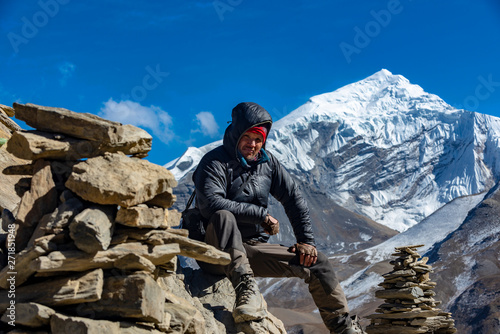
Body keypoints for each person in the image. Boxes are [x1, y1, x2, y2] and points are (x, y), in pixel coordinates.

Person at [192, 102, 366, 334]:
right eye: (248, 137)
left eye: (258, 139)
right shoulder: (213, 162)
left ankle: (343, 329)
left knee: (317, 264)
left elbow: (294, 199)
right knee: (223, 216)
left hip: (249, 249)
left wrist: (306, 242)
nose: (252, 144)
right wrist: (261, 215)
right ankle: (247, 292)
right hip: (214, 250)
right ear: (235, 134)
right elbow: (211, 204)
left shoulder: (267, 163)